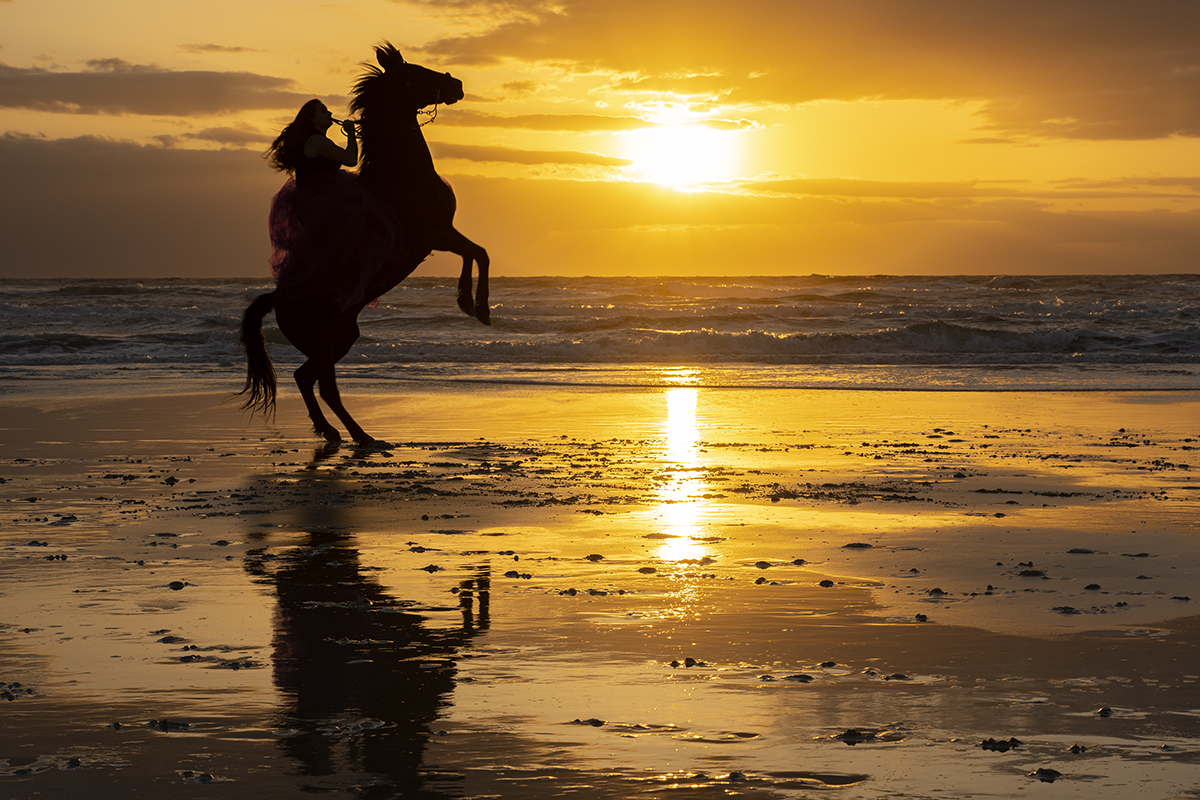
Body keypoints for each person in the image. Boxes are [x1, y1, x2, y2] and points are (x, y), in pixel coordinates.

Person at [265, 99, 398, 311]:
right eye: (323, 111)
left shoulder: (316, 140)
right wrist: (352, 134)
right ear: (313, 119)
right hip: (321, 202)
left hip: (320, 198)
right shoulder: (317, 140)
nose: (329, 113)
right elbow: (351, 158)